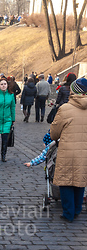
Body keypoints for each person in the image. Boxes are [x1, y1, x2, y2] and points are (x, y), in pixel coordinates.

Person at [50, 77, 87, 222]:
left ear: (73, 90)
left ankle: (68, 213)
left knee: (65, 180)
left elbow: (54, 133)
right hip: (84, 150)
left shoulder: (65, 108)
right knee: (80, 179)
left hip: (68, 150)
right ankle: (77, 209)